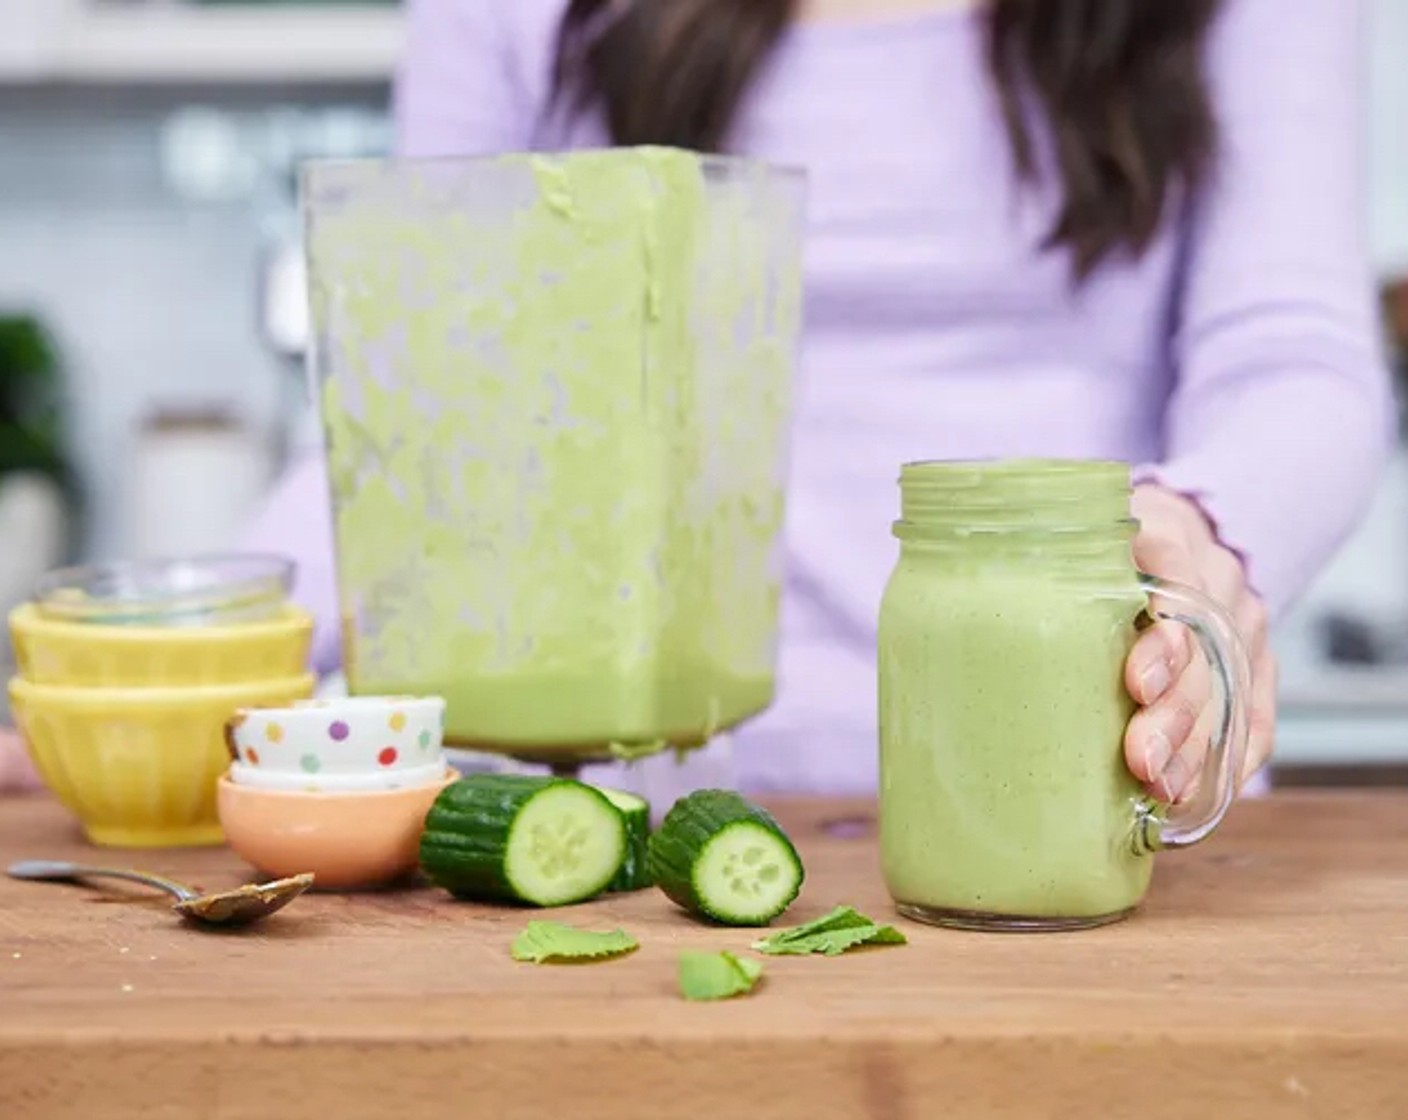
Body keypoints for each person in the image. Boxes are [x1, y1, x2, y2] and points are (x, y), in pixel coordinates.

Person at [0, 0, 1393, 800]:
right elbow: (420, 416)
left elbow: (1294, 353)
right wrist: (169, 665)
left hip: (1075, 783)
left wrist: (1203, 537)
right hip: (621, 819)